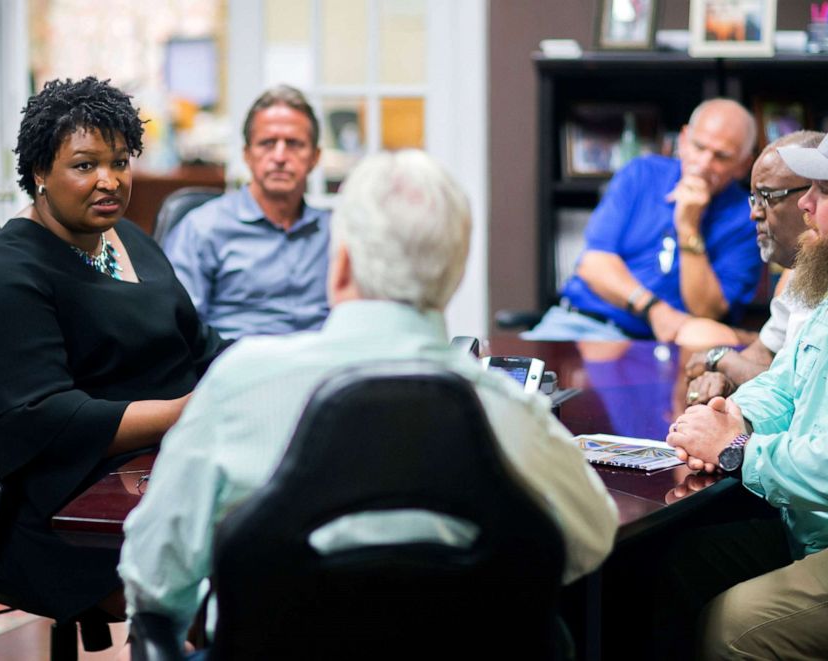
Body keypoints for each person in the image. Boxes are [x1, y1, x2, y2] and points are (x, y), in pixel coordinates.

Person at [119, 150, 619, 647]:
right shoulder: (511, 409)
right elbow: (591, 540)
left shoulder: (241, 384)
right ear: (454, 276)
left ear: (340, 267)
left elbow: (154, 574)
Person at [0, 77, 227, 623]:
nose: (109, 181)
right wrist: (185, 414)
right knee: (214, 583)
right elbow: (43, 420)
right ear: (39, 173)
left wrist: (260, 373)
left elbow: (199, 345)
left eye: (120, 162)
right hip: (25, 493)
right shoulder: (5, 275)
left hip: (134, 463)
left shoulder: (129, 239)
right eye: (85, 164)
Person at [665, 109, 828, 659]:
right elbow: (786, 382)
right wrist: (729, 415)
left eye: (827, 191)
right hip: (818, 531)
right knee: (663, 566)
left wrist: (740, 452)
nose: (805, 205)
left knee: (731, 629)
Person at [524, 98, 762, 342]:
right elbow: (593, 264)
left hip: (659, 345)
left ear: (744, 165)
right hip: (578, 322)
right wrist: (653, 309)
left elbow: (707, 312)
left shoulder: (748, 218)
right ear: (683, 140)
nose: (703, 164)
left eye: (721, 157)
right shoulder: (641, 173)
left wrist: (688, 226)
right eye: (699, 147)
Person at [163, 85, 330, 340]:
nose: (280, 156)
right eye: (267, 143)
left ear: (315, 157)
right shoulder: (203, 228)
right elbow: (178, 329)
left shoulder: (336, 233)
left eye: (295, 144)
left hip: (323, 371)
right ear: (247, 155)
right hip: (237, 367)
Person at [680, 130, 823, 405]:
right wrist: (723, 376)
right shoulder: (804, 268)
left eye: (768, 196)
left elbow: (799, 389)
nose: (754, 213)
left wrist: (720, 359)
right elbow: (765, 351)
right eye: (754, 198)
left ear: (815, 194)